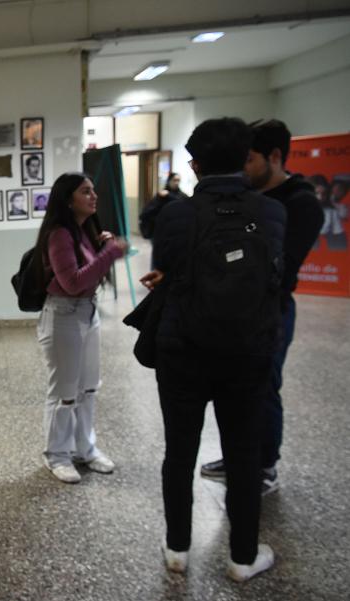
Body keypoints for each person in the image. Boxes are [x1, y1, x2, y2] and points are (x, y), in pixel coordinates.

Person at [142, 117, 286, 582]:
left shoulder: (174, 215)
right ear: (246, 159)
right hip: (247, 354)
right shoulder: (272, 214)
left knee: (179, 452)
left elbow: (164, 266)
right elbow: (279, 281)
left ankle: (177, 549)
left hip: (183, 349)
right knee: (244, 454)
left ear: (195, 164)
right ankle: (243, 557)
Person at [200, 119, 324, 496]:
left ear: (275, 156)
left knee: (263, 387)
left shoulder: (300, 204)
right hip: (229, 309)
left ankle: (264, 465)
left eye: (249, 160)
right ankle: (237, 455)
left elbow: (278, 270)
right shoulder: (245, 196)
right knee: (231, 388)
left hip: (269, 312)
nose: (242, 169)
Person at [34, 172, 127, 485]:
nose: (93, 196)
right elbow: (72, 282)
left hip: (88, 313)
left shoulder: (84, 229)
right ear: (68, 199)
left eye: (93, 190)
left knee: (88, 387)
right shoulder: (59, 234)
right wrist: (109, 254)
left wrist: (102, 247)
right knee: (65, 391)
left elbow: (88, 274)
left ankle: (85, 449)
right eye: (85, 192)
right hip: (63, 316)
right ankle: (56, 455)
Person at [139, 173, 187, 240]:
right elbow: (147, 212)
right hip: (160, 231)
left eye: (178, 180)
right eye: (174, 180)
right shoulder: (161, 195)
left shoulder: (182, 196)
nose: (176, 183)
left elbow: (183, 204)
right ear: (169, 181)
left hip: (176, 231)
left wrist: (169, 195)